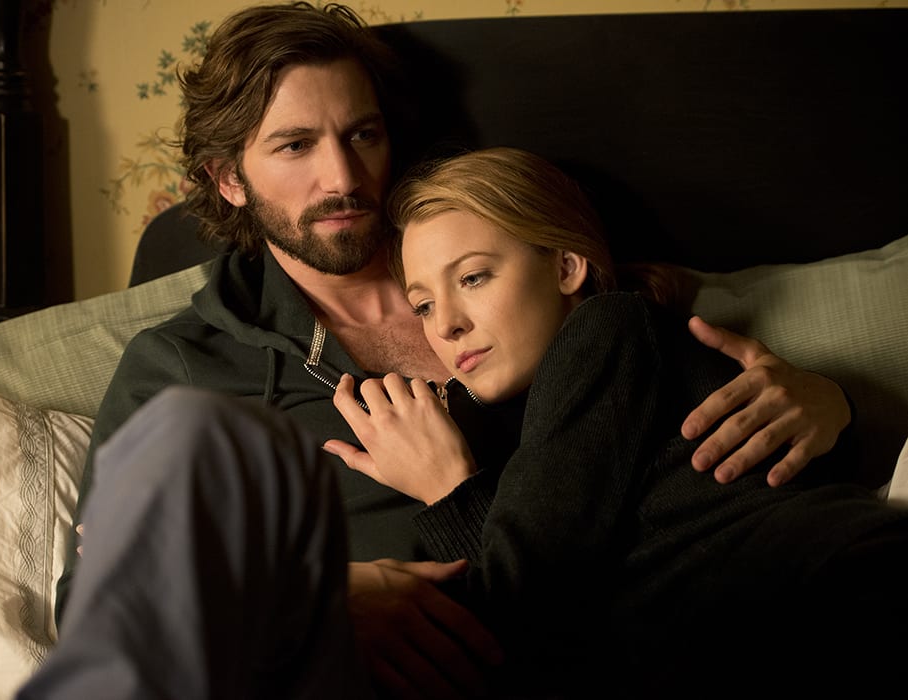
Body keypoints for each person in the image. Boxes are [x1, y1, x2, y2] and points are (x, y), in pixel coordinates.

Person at [56, 3, 853, 696]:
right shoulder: (184, 366)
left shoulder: (505, 245)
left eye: (361, 134)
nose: (342, 176)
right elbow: (96, 605)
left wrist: (827, 405)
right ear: (228, 178)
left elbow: (663, 374)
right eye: (294, 146)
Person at [323, 147, 908, 697]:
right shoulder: (523, 435)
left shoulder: (610, 327)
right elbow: (547, 653)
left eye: (473, 277)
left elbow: (517, 610)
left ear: (567, 267)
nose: (446, 324)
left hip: (839, 601)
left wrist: (447, 487)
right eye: (424, 305)